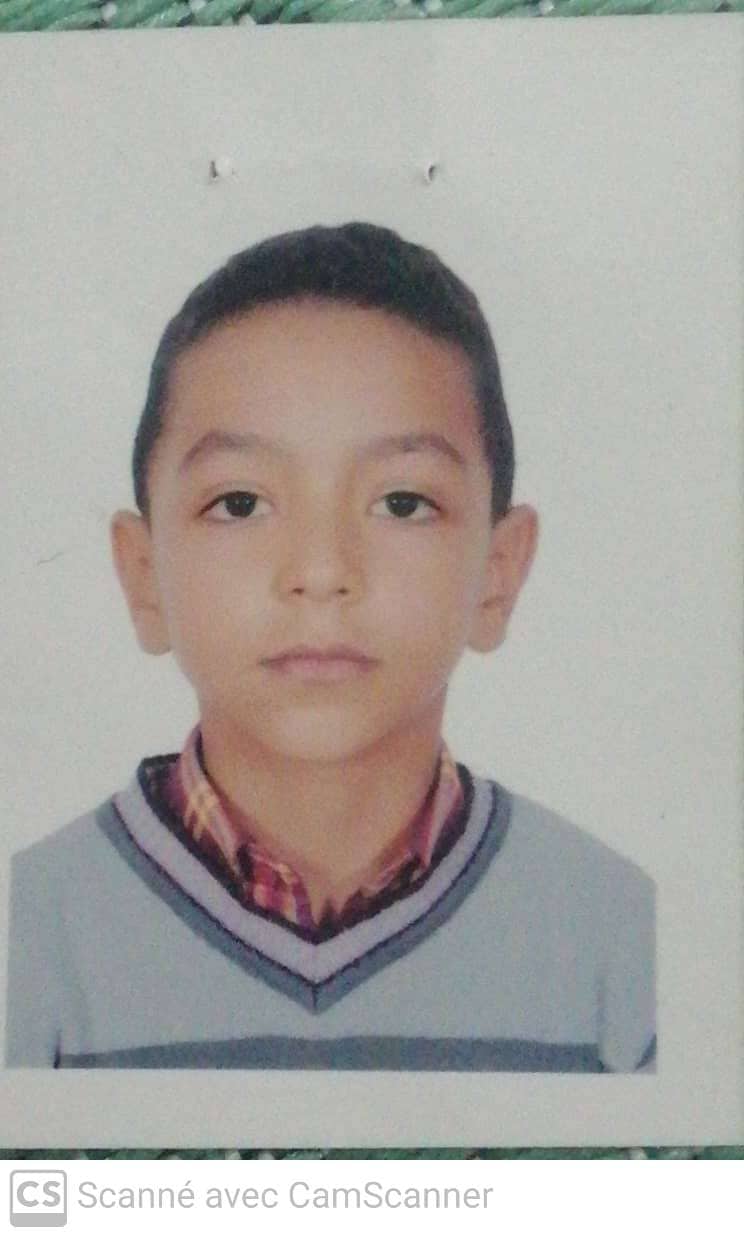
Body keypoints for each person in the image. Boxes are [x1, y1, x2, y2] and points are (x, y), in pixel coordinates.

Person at [5, 222, 655, 1072]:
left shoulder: (623, 948)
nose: (320, 572)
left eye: (402, 503)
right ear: (144, 576)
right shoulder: (32, 940)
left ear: (498, 575)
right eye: (240, 503)